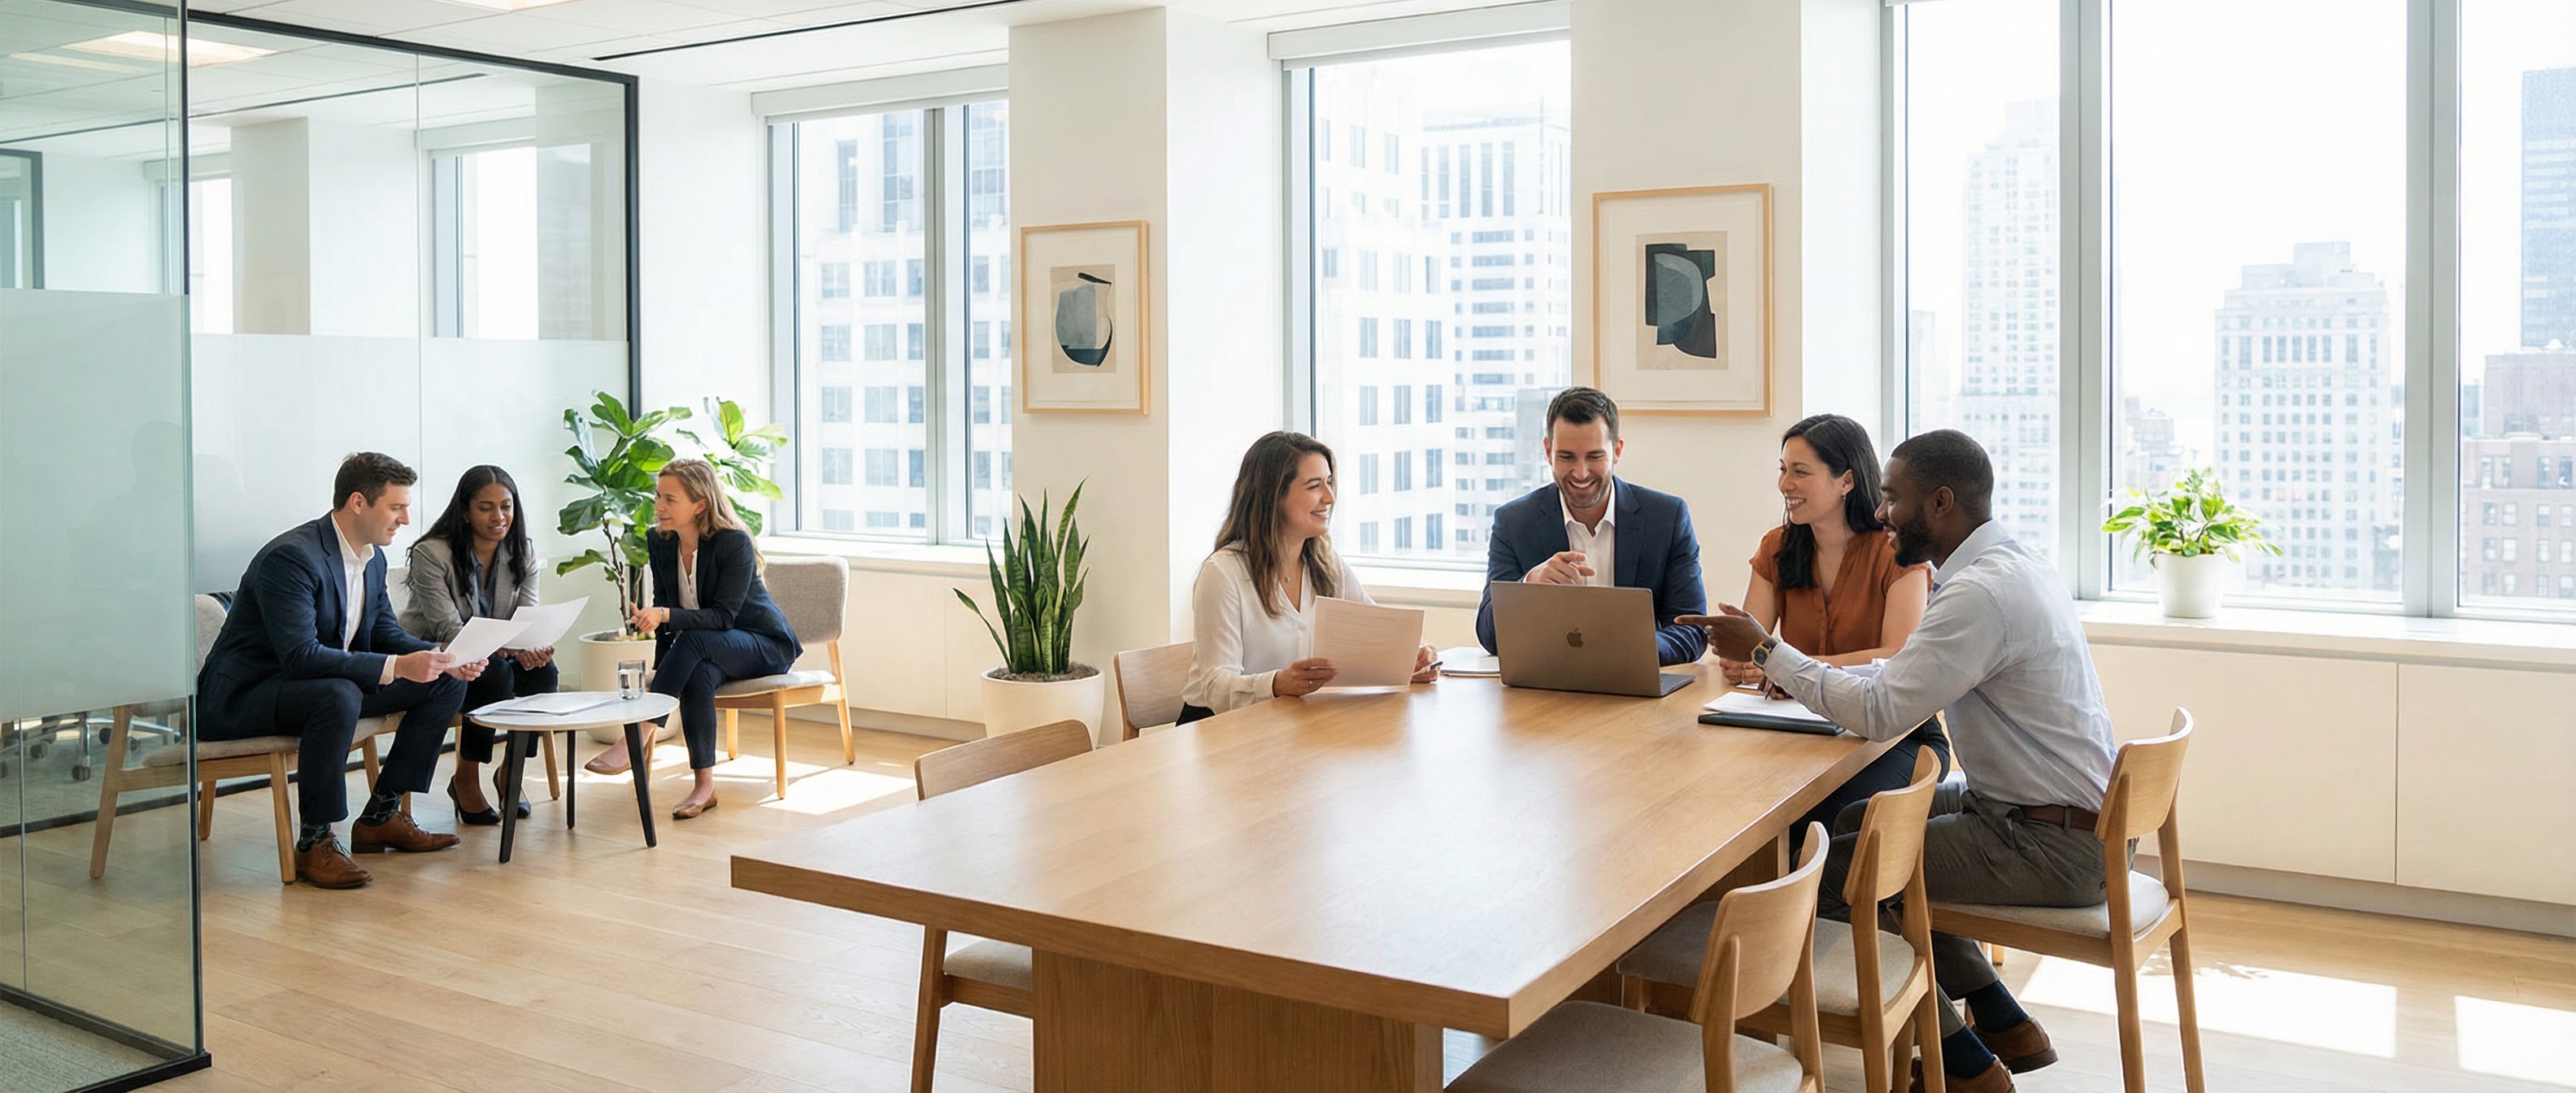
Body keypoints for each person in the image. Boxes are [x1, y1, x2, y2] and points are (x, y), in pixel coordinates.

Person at [1687, 429, 2117, 1093]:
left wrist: (1772, 653)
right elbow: (1906, 673)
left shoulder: (1978, 595)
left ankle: (1966, 1067)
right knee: (1856, 823)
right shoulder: (2007, 564)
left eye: (1893, 498)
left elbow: (1884, 712)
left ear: (1941, 502)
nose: (1883, 512)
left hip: (2046, 842)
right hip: (2051, 816)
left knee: (1829, 872)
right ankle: (2003, 1019)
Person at [198, 452, 485, 890]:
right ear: (357, 503)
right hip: (248, 696)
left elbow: (386, 632)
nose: (406, 519)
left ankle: (381, 817)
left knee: (440, 681)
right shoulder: (292, 558)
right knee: (338, 695)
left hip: (321, 688)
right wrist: (397, 666)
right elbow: (301, 656)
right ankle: (315, 842)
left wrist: (440, 655)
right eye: (396, 507)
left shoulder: (372, 559)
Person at [1724, 414, 1946, 854]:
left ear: (1846, 481)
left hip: (1891, 738)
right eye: (1783, 470)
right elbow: (1752, 647)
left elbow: (1897, 656)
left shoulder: (1894, 551)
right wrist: (1742, 659)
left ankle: (1820, 916)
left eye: (1800, 472)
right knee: (1737, 804)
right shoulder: (1777, 547)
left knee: (1819, 826)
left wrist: (1788, 667)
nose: (1785, 484)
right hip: (1799, 732)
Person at [581, 459, 802, 820]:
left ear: (700, 504)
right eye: (658, 497)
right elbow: (668, 615)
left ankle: (635, 737)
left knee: (695, 640)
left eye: (670, 499)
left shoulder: (734, 543)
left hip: (763, 643)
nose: (659, 507)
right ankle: (704, 787)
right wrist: (662, 650)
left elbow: (722, 617)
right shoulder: (660, 541)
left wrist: (665, 615)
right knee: (697, 673)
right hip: (709, 647)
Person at [1180, 432, 1438, 723]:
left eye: (1329, 483)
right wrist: (1276, 684)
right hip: (1218, 730)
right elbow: (1214, 684)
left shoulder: (1327, 566)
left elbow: (1378, 637)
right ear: (1272, 496)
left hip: (1286, 725)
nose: (1329, 497)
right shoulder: (1223, 573)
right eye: (1314, 486)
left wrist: (1412, 660)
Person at [1474, 386, 1707, 666]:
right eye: (1567, 457)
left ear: (1617, 451)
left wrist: (1625, 646)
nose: (1581, 473)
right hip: (1547, 690)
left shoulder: (1667, 518)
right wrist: (1528, 586)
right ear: (1548, 451)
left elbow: (1692, 630)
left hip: (1634, 686)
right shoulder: (1513, 522)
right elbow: (1488, 635)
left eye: (1595, 457)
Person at [401, 464, 557, 825]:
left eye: (506, 506)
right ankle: (466, 778)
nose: (498, 517)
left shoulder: (523, 551)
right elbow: (448, 628)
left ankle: (510, 773)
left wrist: (532, 646)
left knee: (544, 674)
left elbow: (527, 619)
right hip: (439, 656)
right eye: (486, 507)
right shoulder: (432, 554)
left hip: (495, 652)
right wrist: (510, 648)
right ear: (465, 512)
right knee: (496, 674)